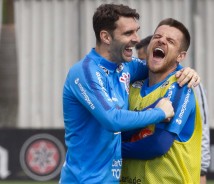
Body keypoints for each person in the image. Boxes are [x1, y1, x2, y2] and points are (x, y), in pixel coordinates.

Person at [59, 3, 200, 184]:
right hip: (82, 180)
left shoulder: (126, 66)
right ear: (106, 37)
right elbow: (112, 120)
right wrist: (159, 113)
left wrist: (186, 71)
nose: (136, 39)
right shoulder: (85, 73)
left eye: (136, 31)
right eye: (128, 33)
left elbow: (163, 67)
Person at [121, 18, 203, 184]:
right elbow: (119, 130)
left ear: (181, 56)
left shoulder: (181, 85)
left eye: (170, 41)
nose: (161, 40)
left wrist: (111, 150)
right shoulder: (131, 86)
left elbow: (159, 144)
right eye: (157, 36)